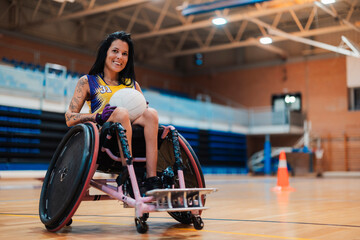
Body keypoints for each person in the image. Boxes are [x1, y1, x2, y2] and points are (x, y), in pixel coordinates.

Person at [65, 31, 162, 191]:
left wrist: (142, 107)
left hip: (133, 135)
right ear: (105, 53)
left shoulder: (133, 85)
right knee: (121, 112)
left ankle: (152, 178)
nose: (120, 57)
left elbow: (142, 114)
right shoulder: (88, 82)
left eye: (124, 54)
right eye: (115, 51)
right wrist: (97, 116)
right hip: (105, 137)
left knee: (151, 113)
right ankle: (128, 174)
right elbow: (69, 118)